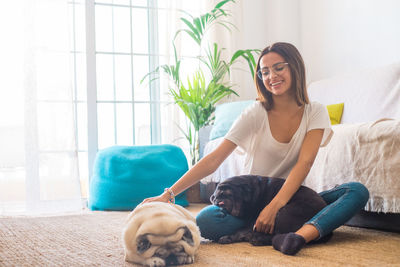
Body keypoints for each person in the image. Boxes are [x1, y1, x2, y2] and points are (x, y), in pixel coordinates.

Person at [142, 42, 369, 256]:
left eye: (279, 68)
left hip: (291, 200)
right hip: (251, 203)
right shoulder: (256, 112)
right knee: (206, 221)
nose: (272, 76)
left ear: (295, 68)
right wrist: (168, 194)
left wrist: (275, 205)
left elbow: (305, 162)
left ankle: (298, 237)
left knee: (356, 191)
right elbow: (214, 159)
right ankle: (277, 228)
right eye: (265, 71)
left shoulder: (315, 111)